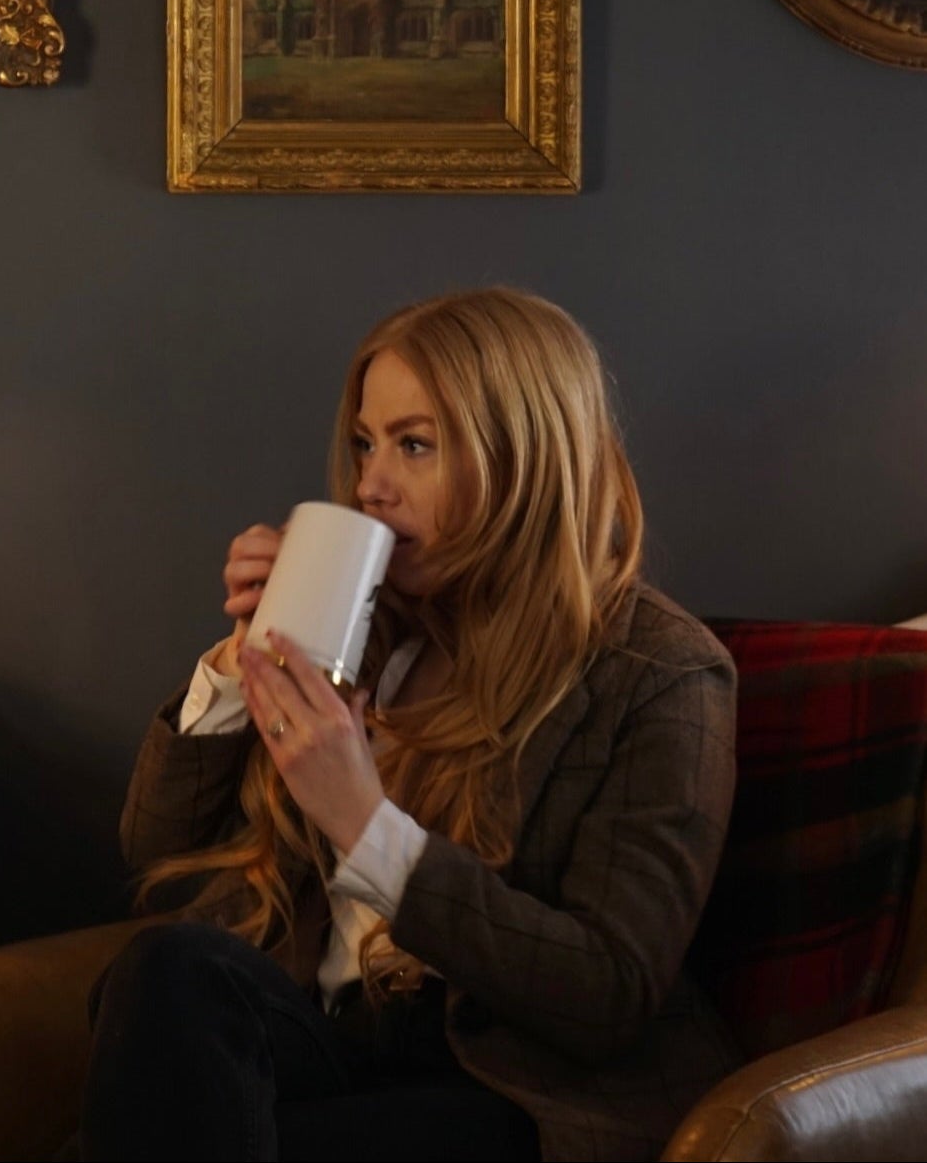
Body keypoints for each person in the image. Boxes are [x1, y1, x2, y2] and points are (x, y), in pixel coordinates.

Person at [82, 289, 741, 1162]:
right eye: (365, 442)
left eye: (414, 444)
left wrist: (361, 821)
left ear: (524, 457)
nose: (370, 485)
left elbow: (609, 993)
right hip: (342, 1040)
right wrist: (243, 660)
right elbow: (153, 850)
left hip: (506, 1081)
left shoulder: (658, 673)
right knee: (167, 971)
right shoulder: (370, 625)